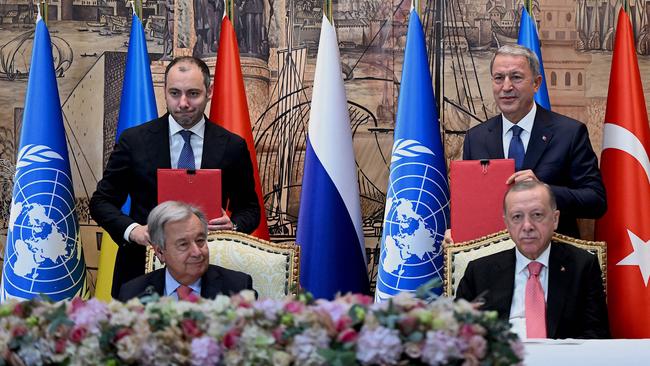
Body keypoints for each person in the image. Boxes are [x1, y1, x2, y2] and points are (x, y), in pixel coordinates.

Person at [90, 56, 260, 297]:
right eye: (174, 93)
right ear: (165, 92)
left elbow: (250, 209)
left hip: (207, 274)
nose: (183, 103)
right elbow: (100, 202)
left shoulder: (232, 146)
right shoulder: (134, 141)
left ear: (209, 91)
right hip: (140, 271)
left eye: (192, 94)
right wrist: (133, 230)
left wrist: (234, 224)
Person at [462, 44, 606, 238]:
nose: (506, 87)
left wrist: (545, 191)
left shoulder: (570, 133)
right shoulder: (475, 138)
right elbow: (468, 201)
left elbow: (595, 202)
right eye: (499, 78)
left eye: (516, 77)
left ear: (536, 83)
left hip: (553, 257)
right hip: (493, 260)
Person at [455, 181, 610, 339]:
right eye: (517, 217)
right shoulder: (479, 271)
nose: (527, 226)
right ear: (507, 223)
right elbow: (457, 335)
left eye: (537, 215)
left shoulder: (582, 266)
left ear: (555, 219)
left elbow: (596, 336)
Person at [118, 201, 254, 301]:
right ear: (160, 252)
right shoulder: (133, 294)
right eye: (183, 244)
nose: (197, 252)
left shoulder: (238, 288)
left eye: (200, 241)